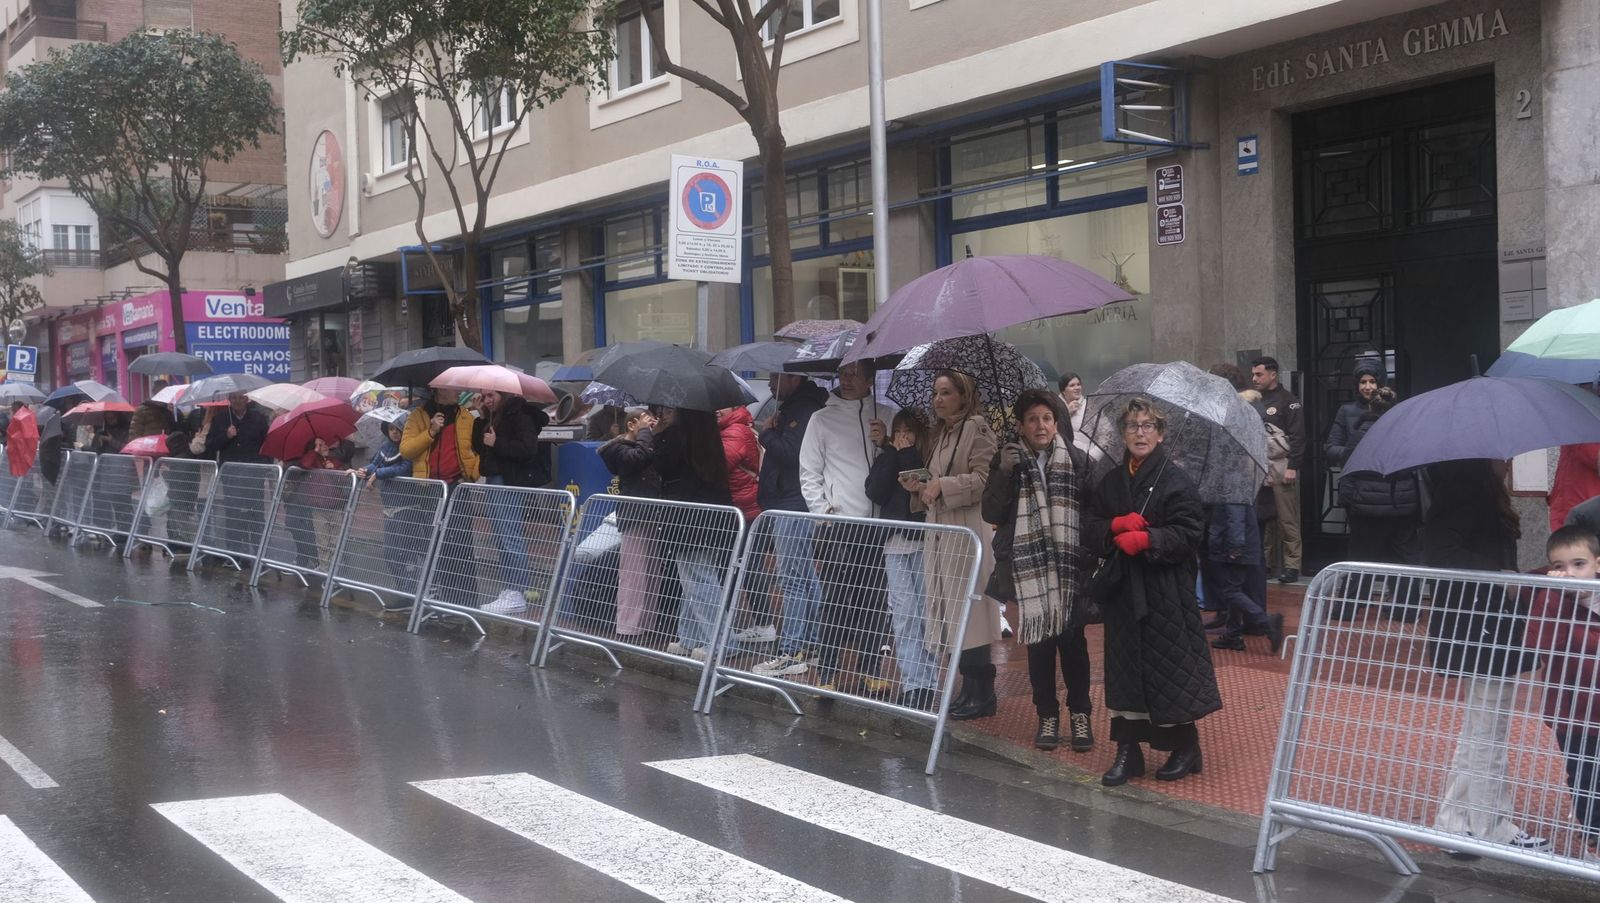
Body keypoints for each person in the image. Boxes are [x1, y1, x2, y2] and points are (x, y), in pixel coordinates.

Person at [1084, 397, 1219, 786]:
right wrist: (1114, 528)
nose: (1139, 433)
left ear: (1160, 434)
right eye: (1131, 426)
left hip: (1165, 593)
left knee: (1167, 670)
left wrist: (1148, 539)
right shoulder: (1110, 481)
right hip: (1124, 594)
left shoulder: (1177, 481)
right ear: (1122, 433)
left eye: (1147, 426)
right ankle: (1129, 750)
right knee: (1124, 671)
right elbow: (1089, 525)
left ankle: (1185, 747)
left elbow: (1191, 532)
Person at [1421, 458, 1548, 856]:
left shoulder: (1474, 483)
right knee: (1488, 728)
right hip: (1482, 623)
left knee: (1481, 726)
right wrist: (1499, 576)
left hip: (1484, 622)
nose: (1509, 459)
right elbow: (1440, 550)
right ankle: (1492, 825)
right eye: (1503, 453)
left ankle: (1455, 822)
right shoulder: (1467, 484)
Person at [757, 362, 893, 680]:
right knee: (835, 597)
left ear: (870, 380)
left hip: (876, 524)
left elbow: (896, 462)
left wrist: (884, 443)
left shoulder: (885, 415)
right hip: (839, 524)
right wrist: (821, 514)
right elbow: (809, 471)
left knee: (871, 598)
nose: (846, 381)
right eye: (843, 375)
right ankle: (828, 671)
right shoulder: (822, 417)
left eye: (854, 375)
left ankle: (870, 668)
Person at [982, 389, 1094, 749]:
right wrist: (1003, 472)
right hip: (1028, 572)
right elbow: (992, 514)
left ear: (1056, 423)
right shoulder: (1008, 464)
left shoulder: (1078, 461)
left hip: (1069, 568)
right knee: (1039, 648)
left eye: (1046, 418)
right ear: (1021, 425)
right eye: (1032, 419)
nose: (1040, 425)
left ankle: (1080, 714)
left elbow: (1091, 515)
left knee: (1073, 645)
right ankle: (1047, 716)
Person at [904, 369, 999, 719]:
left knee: (969, 612)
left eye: (945, 392)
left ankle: (982, 691)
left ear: (963, 395)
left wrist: (944, 485)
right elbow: (938, 479)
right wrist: (921, 486)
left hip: (966, 531)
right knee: (950, 612)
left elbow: (985, 478)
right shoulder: (941, 434)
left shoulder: (977, 428)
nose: (938, 399)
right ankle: (969, 687)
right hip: (941, 530)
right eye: (935, 393)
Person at [1325, 361, 1422, 618]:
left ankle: (1349, 607)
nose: (1367, 387)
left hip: (1370, 499)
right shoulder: (1347, 412)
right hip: (1394, 500)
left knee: (1363, 557)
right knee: (1399, 557)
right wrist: (1352, 453)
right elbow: (1331, 447)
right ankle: (1406, 608)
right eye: (1363, 382)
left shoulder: (1397, 416)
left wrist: (1354, 453)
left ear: (1381, 384)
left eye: (1372, 382)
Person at [1529, 526, 1600, 858]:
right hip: (1573, 712)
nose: (1568, 573)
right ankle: (1593, 834)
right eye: (1559, 566)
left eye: (1578, 564)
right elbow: (1541, 643)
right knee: (1584, 773)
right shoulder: (1552, 601)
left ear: (1597, 564)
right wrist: (1554, 596)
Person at [865, 409, 941, 711]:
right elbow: (875, 491)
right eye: (899, 430)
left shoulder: (925, 453)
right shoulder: (887, 455)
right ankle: (912, 682)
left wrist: (907, 453)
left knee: (925, 613)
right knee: (904, 614)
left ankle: (928, 682)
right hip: (894, 542)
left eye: (909, 430)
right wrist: (891, 453)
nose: (903, 435)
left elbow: (922, 484)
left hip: (922, 541)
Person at [750, 373, 829, 661]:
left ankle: (792, 649)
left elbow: (792, 454)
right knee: (803, 575)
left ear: (793, 378)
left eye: (775, 377)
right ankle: (810, 641)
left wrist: (767, 434)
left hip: (794, 502)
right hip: (788, 500)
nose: (770, 384)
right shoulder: (794, 407)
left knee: (793, 578)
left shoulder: (804, 410)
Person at [652, 407, 736, 661]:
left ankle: (721, 640)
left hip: (687, 519)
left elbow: (664, 467)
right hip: (710, 516)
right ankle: (690, 637)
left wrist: (657, 436)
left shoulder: (678, 436)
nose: (664, 414)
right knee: (696, 579)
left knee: (698, 582)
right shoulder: (707, 434)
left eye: (669, 409)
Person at [473, 388, 552, 615]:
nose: (487, 400)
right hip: (495, 478)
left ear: (504, 395)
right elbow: (479, 447)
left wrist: (497, 443)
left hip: (507, 481)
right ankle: (511, 589)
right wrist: (480, 418)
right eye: (484, 396)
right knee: (501, 536)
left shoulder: (519, 416)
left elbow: (528, 450)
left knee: (509, 536)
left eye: (491, 396)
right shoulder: (493, 417)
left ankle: (517, 592)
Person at [401, 390, 480, 604]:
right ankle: (443, 598)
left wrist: (471, 476)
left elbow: (477, 449)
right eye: (452, 387)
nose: (458, 392)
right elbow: (406, 449)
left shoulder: (465, 416)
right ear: (440, 389)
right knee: (436, 545)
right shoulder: (418, 416)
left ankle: (466, 600)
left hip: (457, 487)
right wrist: (431, 431)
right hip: (430, 489)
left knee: (461, 545)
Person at [598, 407, 662, 637]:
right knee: (633, 572)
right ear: (632, 425)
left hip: (654, 513)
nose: (649, 429)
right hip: (635, 513)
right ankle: (628, 626)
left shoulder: (647, 443)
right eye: (644, 423)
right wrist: (646, 433)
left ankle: (646, 624)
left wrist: (654, 432)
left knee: (652, 572)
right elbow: (637, 459)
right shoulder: (618, 449)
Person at [1251, 356, 1305, 584]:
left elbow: (1299, 436)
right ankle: (1267, 563)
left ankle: (1292, 565)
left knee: (1287, 518)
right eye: (1253, 374)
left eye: (1259, 374)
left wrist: (1293, 466)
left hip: (1282, 465)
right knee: (1264, 516)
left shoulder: (1288, 401)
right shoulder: (1253, 400)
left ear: (1273, 375)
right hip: (1259, 465)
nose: (1254, 378)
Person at [355, 418, 426, 589]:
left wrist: (379, 473)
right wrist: (364, 470)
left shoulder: (409, 447)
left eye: (398, 429)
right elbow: (375, 464)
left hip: (407, 508)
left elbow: (404, 468)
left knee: (407, 554)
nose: (394, 432)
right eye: (391, 428)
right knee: (390, 553)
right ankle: (403, 588)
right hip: (389, 509)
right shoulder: (385, 447)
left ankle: (412, 591)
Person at [197, 392, 272, 551]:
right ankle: (234, 551)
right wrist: (226, 436)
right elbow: (210, 445)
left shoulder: (258, 418)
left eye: (241, 398)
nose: (238, 401)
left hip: (254, 474)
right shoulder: (221, 419)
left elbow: (267, 444)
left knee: (256, 513)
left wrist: (265, 467)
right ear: (230, 401)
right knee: (233, 513)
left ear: (247, 399)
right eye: (234, 398)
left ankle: (259, 550)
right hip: (231, 475)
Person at [284, 436, 350, 570]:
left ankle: (335, 567)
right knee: (322, 541)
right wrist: (314, 451)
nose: (323, 447)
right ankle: (325, 568)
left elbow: (344, 481)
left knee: (334, 541)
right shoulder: (313, 460)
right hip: (318, 508)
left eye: (325, 444)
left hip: (335, 507)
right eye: (319, 445)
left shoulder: (334, 461)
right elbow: (305, 464)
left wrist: (332, 470)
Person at [718, 404, 761, 523]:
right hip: (745, 504)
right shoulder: (733, 427)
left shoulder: (734, 431)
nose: (717, 410)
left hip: (743, 506)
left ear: (734, 406)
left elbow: (719, 467)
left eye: (722, 406)